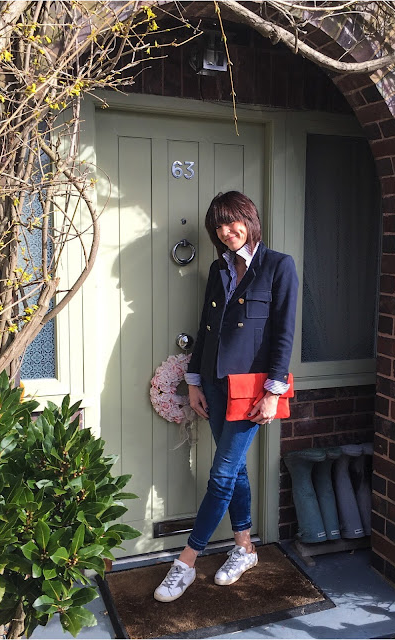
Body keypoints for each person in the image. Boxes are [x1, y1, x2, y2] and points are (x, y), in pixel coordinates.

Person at [154, 191, 298, 602]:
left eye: (232, 222)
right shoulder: (219, 270)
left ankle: (186, 561)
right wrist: (195, 381)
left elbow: (284, 335)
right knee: (234, 472)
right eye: (218, 226)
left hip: (251, 393)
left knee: (220, 475)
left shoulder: (278, 266)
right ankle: (245, 548)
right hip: (216, 387)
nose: (226, 231)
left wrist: (273, 392)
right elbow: (207, 327)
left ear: (250, 220)